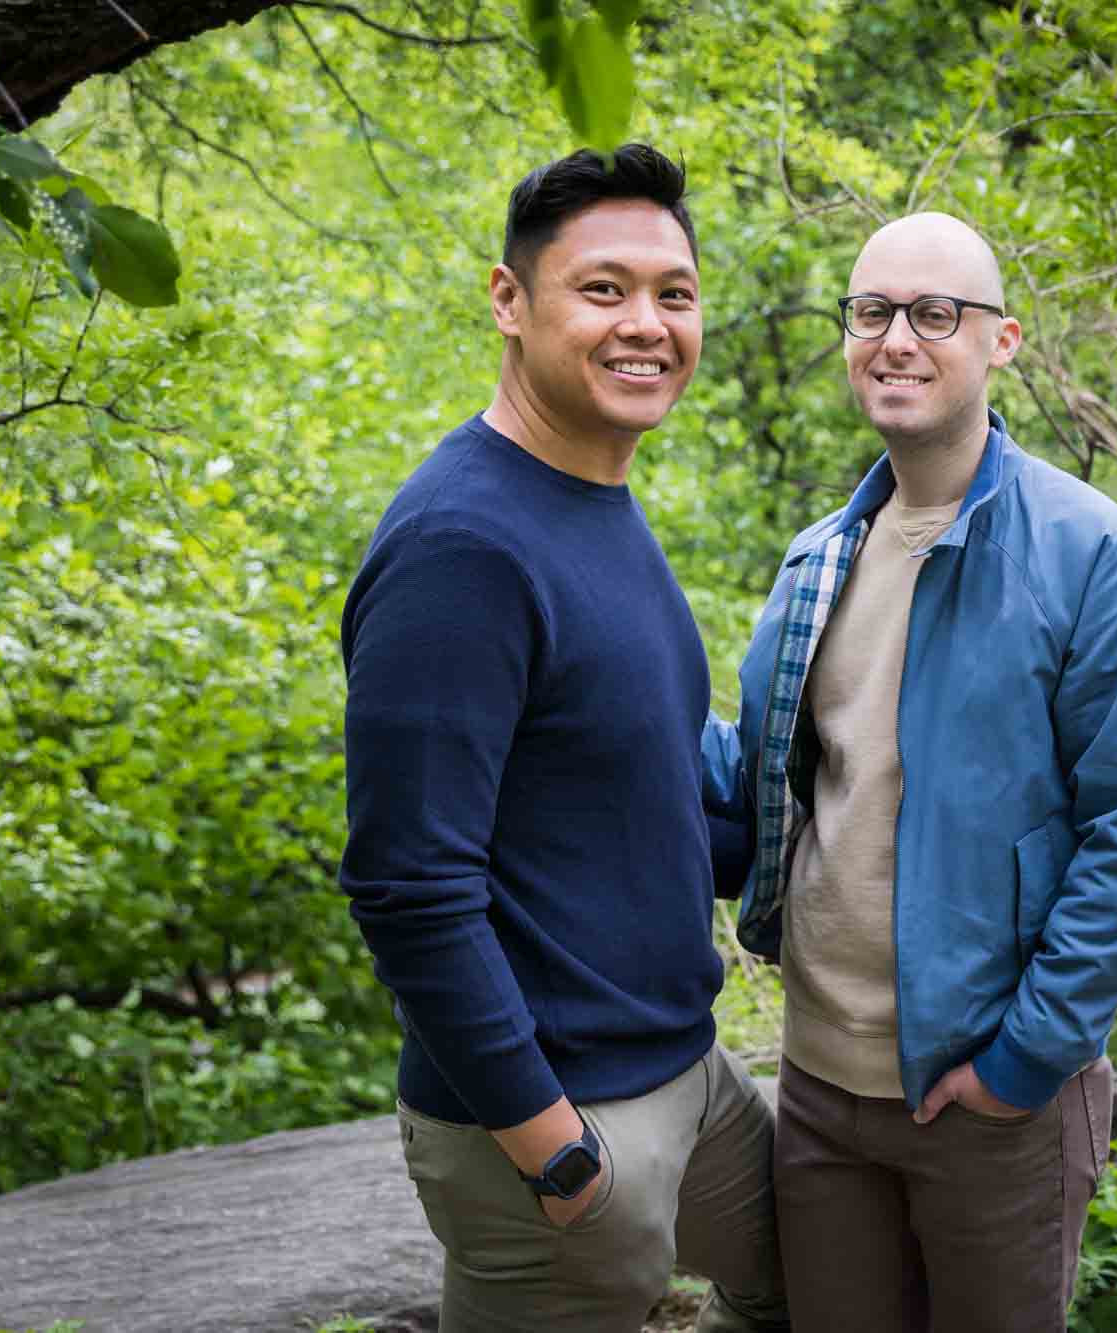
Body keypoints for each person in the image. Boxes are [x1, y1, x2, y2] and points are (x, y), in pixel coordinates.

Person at [706, 212, 1117, 1331]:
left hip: (989, 1101)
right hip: (822, 1091)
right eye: (871, 311)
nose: (896, 339)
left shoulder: (1099, 562)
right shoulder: (816, 560)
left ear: (1001, 340)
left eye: (935, 314)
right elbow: (766, 791)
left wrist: (1022, 1061)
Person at [338, 144, 788, 1333]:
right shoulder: (462, 549)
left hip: (682, 1071)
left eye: (672, 294)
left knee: (830, 1277)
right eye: (602, 288)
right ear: (508, 299)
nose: (645, 323)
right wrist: (550, 1148)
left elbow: (637, 794)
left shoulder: (593, 501)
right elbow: (406, 883)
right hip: (552, 1117)